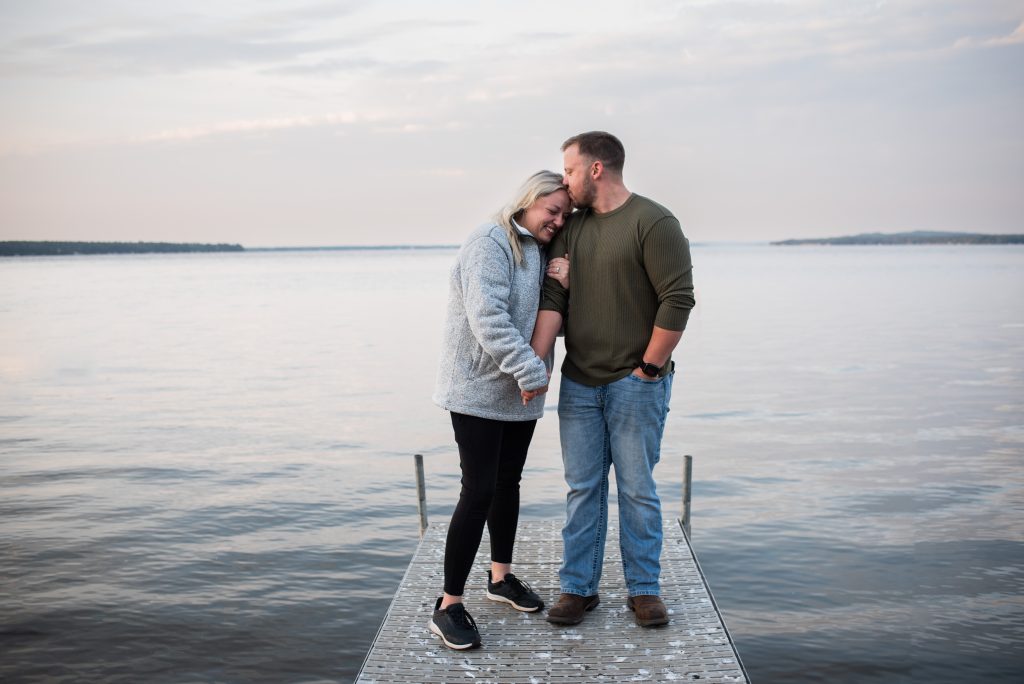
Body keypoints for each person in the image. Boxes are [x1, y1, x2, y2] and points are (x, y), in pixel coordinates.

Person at [531, 132, 695, 628]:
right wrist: (536, 365)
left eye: (570, 170)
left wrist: (648, 370)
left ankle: (644, 589)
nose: (565, 181)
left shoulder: (653, 221)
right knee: (582, 488)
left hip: (636, 382)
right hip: (580, 382)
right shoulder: (572, 228)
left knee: (637, 488)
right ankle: (578, 588)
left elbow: (677, 299)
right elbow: (554, 299)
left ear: (596, 169)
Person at [430, 170, 571, 650]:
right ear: (528, 201)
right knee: (479, 490)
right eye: (552, 210)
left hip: (520, 393)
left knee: (508, 484)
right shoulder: (490, 241)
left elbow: (546, 320)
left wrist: (565, 285)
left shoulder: (541, 252)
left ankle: (499, 578)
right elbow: (486, 317)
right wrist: (532, 372)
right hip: (477, 390)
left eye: (564, 215)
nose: (557, 221)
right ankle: (448, 604)